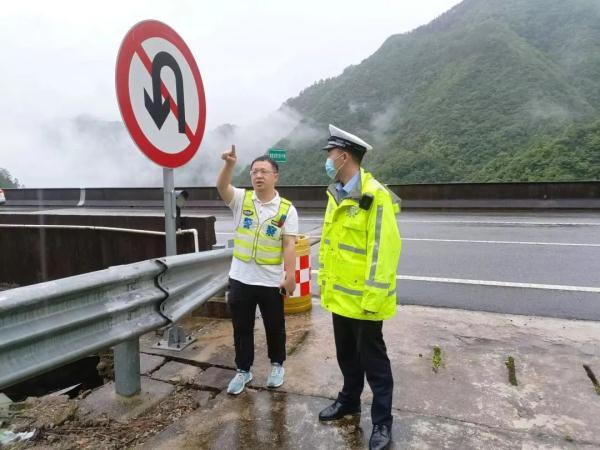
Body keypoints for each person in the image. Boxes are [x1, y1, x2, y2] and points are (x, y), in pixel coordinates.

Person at [317, 125, 401, 450]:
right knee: (346, 357)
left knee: (375, 364)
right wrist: (325, 284)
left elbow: (384, 250)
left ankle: (382, 423)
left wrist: (372, 296)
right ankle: (349, 401)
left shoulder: (374, 195)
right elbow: (330, 245)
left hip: (366, 301)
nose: (327, 159)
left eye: (330, 154)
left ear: (344, 155)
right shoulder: (335, 193)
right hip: (340, 298)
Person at [217, 145, 298, 395]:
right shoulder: (242, 200)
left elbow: (289, 243)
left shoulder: (286, 209)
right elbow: (222, 187)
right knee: (241, 328)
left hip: (270, 281)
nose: (258, 176)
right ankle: (243, 370)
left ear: (275, 176)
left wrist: (291, 275)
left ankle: (277, 365)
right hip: (241, 278)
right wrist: (229, 165)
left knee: (275, 326)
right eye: (254, 172)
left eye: (263, 171)